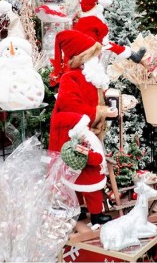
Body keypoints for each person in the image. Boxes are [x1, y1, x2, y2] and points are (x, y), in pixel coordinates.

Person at [48, 29, 118, 225]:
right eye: (93, 55)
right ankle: (81, 211)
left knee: (86, 174)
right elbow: (72, 107)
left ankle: (87, 211)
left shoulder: (90, 76)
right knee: (82, 174)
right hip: (75, 133)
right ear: (82, 58)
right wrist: (101, 111)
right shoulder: (71, 78)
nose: (98, 58)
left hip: (89, 132)